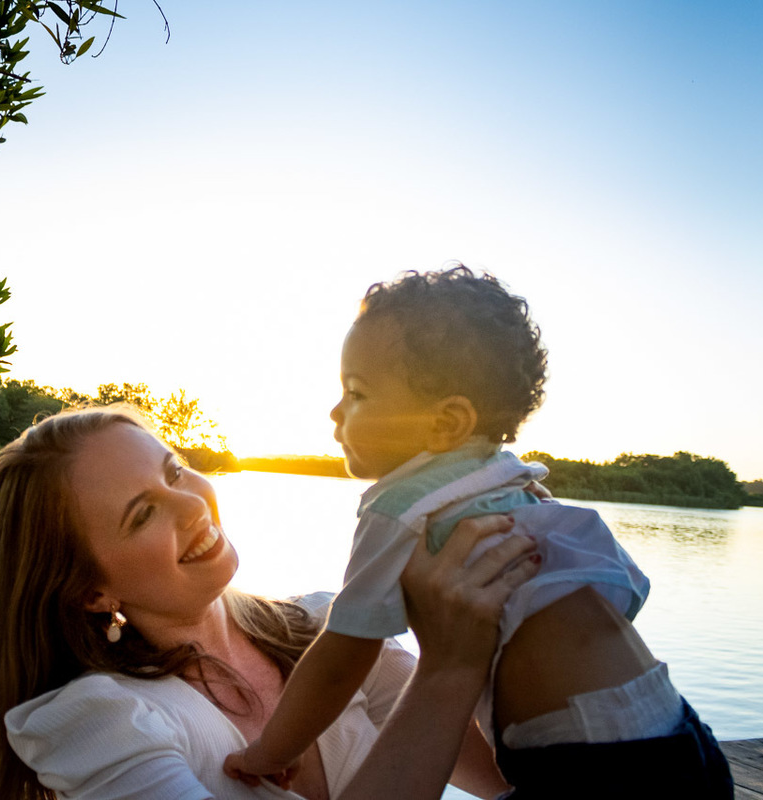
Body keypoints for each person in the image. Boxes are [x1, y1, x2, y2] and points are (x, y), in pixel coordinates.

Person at [224, 267, 734, 799]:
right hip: (681, 735)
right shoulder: (511, 482)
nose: (335, 411)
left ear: (446, 423)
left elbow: (344, 655)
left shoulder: (402, 506)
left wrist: (272, 751)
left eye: (357, 393)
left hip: (590, 766)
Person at [0, 405, 543, 800]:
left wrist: (530, 597)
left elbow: (521, 777)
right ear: (91, 591)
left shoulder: (326, 629)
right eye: (143, 514)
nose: (192, 505)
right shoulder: (96, 721)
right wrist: (449, 666)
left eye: (175, 472)